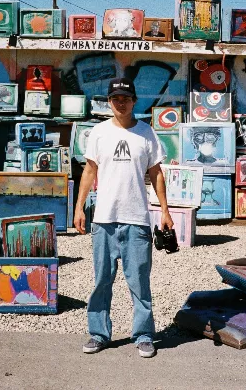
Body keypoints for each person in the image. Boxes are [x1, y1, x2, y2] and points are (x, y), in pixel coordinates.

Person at [74, 77, 173, 359]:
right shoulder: (98, 133)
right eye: (116, 98)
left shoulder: (146, 133)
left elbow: (156, 173)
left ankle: (143, 335)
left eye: (126, 99)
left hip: (137, 219)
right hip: (104, 218)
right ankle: (98, 333)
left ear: (133, 102)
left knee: (139, 282)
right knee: (101, 281)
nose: (121, 103)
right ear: (109, 101)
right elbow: (89, 171)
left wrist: (164, 211)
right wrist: (79, 207)